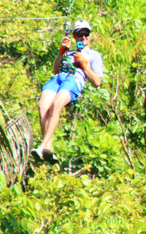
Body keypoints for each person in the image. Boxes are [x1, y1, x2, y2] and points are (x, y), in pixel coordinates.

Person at [33, 20, 104, 160]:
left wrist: (85, 66)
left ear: (89, 36)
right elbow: (55, 70)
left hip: (74, 80)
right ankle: (48, 149)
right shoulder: (69, 52)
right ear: (74, 36)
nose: (83, 37)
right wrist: (62, 52)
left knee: (56, 104)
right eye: (79, 34)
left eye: (86, 34)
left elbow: (97, 82)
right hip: (59, 78)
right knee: (43, 106)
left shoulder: (94, 55)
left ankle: (43, 146)